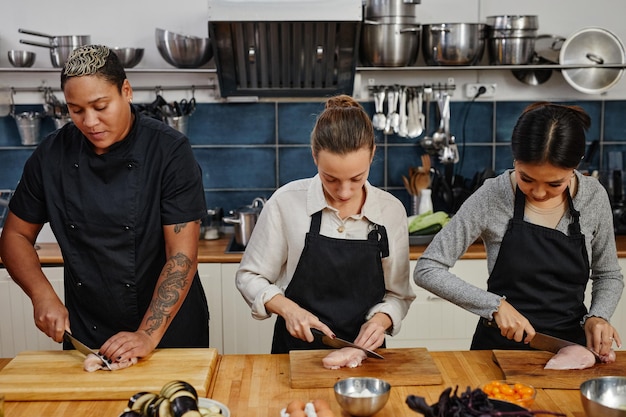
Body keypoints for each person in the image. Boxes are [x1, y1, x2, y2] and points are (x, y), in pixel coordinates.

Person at [0, 45, 209, 363]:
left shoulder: (169, 151)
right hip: (89, 333)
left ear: (126, 91)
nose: (90, 121)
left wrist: (146, 335)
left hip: (166, 334)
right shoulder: (52, 155)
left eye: (100, 106)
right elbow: (14, 236)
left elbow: (181, 256)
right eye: (76, 109)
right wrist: (41, 293)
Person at [415, 102, 624, 357]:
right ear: (515, 158)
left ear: (576, 166)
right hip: (497, 349)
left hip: (570, 350)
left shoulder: (593, 196)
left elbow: (608, 274)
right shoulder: (493, 195)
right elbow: (427, 268)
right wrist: (494, 306)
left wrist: (598, 316)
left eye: (554, 183)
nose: (538, 192)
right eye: (526, 178)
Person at [235, 95, 415, 353]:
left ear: (373, 154)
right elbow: (250, 276)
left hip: (364, 354)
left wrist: (381, 320)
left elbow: (399, 295)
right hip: (293, 353)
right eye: (330, 179)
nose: (343, 192)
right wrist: (288, 309)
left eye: (356, 178)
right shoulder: (286, 203)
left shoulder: (391, 211)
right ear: (314, 156)